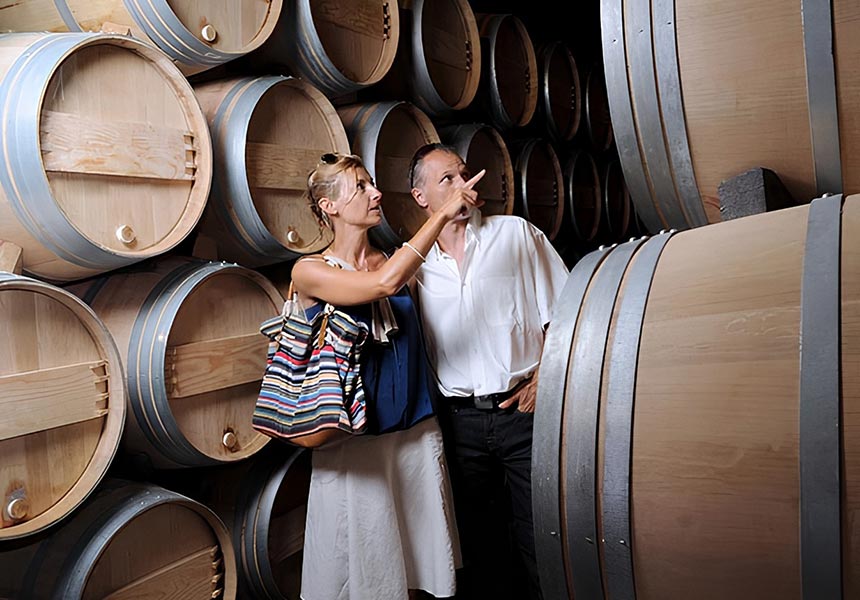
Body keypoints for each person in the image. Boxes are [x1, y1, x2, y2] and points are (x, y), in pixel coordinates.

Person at [290, 152, 486, 600]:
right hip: (355, 448)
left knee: (418, 565)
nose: (375, 193)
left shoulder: (395, 260)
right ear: (330, 207)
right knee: (366, 570)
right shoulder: (311, 272)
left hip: (416, 434)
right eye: (360, 187)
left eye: (372, 183)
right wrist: (439, 211)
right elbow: (383, 286)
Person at [408, 144, 570, 600]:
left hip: (525, 412)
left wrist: (544, 380)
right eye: (448, 180)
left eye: (464, 174)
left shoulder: (515, 234)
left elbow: (567, 314)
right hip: (461, 423)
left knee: (542, 533)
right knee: (478, 541)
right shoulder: (415, 267)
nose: (464, 184)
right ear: (421, 197)